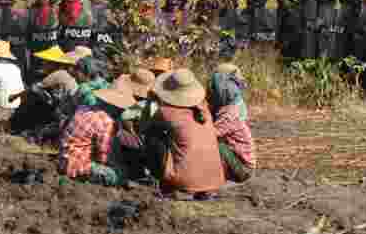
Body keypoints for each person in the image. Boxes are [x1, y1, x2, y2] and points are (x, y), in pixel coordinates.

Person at [143, 69, 226, 197]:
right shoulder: (204, 110)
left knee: (152, 136)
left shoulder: (165, 112)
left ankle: (166, 184)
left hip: (184, 181)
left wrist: (150, 102)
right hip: (214, 180)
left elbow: (144, 127)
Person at [58, 85, 135, 186]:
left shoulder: (84, 108)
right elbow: (103, 158)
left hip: (63, 158)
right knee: (117, 174)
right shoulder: (106, 122)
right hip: (77, 167)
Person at [208, 70, 255, 183]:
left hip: (243, 168)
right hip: (237, 161)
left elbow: (211, 134)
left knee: (212, 144)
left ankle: (213, 181)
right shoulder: (228, 108)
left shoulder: (229, 115)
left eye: (213, 90)